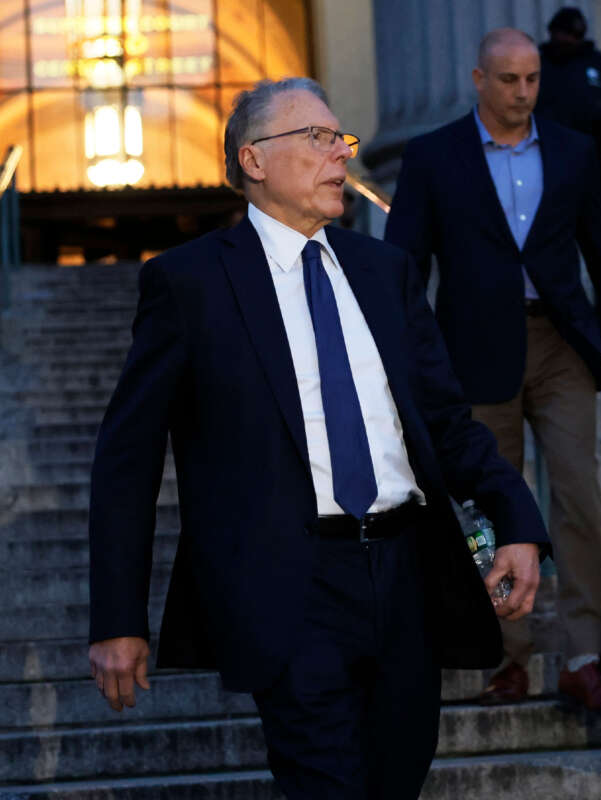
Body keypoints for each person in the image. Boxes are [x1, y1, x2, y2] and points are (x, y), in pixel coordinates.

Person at [87, 76, 549, 799]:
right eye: (319, 138)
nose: (342, 154)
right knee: (325, 785)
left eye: (343, 139)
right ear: (254, 160)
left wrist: (516, 520)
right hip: (289, 589)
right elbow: (127, 461)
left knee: (397, 780)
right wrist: (119, 619)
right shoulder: (190, 284)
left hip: (407, 576)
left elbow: (447, 424)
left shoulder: (384, 271)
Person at [384, 29, 601, 716]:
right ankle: (505, 655)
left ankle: (583, 658)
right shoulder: (432, 156)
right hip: (472, 356)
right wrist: (402, 361)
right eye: (509, 80)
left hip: (564, 346)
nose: (522, 93)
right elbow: (404, 268)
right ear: (479, 79)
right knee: (485, 513)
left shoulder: (572, 151)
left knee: (578, 498)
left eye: (532, 79)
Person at [536, 7, 601, 216]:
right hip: (545, 160)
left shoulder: (597, 62)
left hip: (590, 159)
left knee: (600, 227)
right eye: (566, 33)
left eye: (576, 35)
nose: (570, 40)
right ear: (553, 32)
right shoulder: (536, 65)